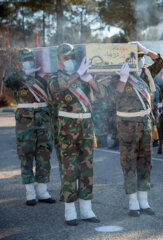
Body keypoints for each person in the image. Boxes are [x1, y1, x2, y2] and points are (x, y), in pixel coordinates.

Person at [112, 41, 163, 217]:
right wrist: (122, 79)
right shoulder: (117, 74)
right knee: (129, 163)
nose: (141, 61)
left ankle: (144, 201)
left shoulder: (146, 74)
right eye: (137, 57)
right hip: (127, 126)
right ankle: (133, 202)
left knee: (145, 163)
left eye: (141, 57)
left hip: (146, 125)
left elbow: (160, 63)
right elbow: (111, 98)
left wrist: (146, 50)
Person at [49, 43, 100, 225]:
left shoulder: (82, 75)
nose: (69, 60)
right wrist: (78, 73)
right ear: (59, 60)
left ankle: (87, 210)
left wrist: (90, 79)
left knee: (87, 168)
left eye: (72, 57)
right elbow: (59, 87)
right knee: (69, 168)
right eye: (66, 58)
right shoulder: (55, 77)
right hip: (67, 129)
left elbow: (101, 94)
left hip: (86, 126)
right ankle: (70, 210)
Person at [3, 48, 55, 206]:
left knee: (44, 155)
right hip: (25, 123)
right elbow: (7, 81)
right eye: (25, 60)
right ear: (20, 63)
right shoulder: (18, 78)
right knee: (26, 156)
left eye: (30, 59)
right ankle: (30, 193)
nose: (28, 62)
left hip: (43, 121)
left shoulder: (43, 78)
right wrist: (26, 74)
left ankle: (43, 191)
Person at [92, 75, 111, 148]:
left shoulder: (101, 82)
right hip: (97, 106)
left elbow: (102, 95)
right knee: (97, 124)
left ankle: (103, 142)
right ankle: (99, 141)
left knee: (102, 123)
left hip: (101, 105)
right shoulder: (97, 81)